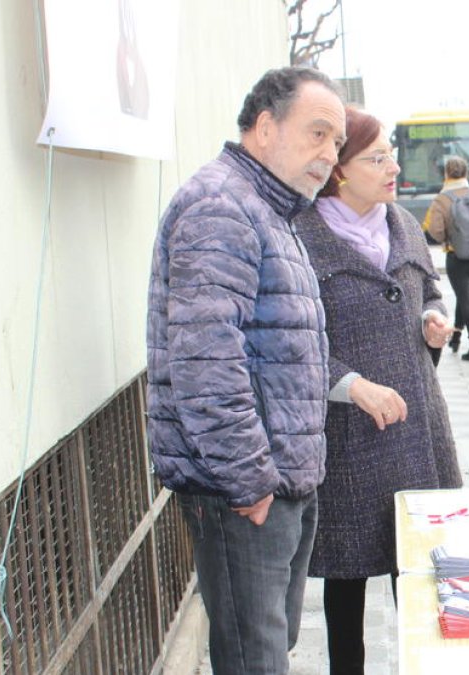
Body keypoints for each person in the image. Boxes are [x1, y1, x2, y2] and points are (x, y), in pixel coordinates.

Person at [146, 66, 345, 674]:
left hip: (281, 482)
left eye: (336, 142)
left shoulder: (269, 208)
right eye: (317, 134)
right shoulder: (221, 205)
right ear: (264, 127)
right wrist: (250, 479)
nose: (329, 155)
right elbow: (205, 360)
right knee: (252, 660)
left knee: (269, 649)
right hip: (244, 491)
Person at [294, 107, 462, 674]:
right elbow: (289, 343)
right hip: (347, 436)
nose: (392, 167)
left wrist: (433, 321)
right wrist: (350, 385)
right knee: (346, 582)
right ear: (339, 170)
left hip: (416, 427)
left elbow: (430, 291)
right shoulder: (300, 236)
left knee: (418, 569)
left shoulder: (403, 222)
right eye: (376, 158)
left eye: (389, 153)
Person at [425, 156, 469, 361]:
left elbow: (435, 230)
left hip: (457, 255)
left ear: (446, 173)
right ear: (466, 172)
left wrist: (447, 239)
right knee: (465, 296)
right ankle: (457, 336)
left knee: (465, 297)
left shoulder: (442, 199)